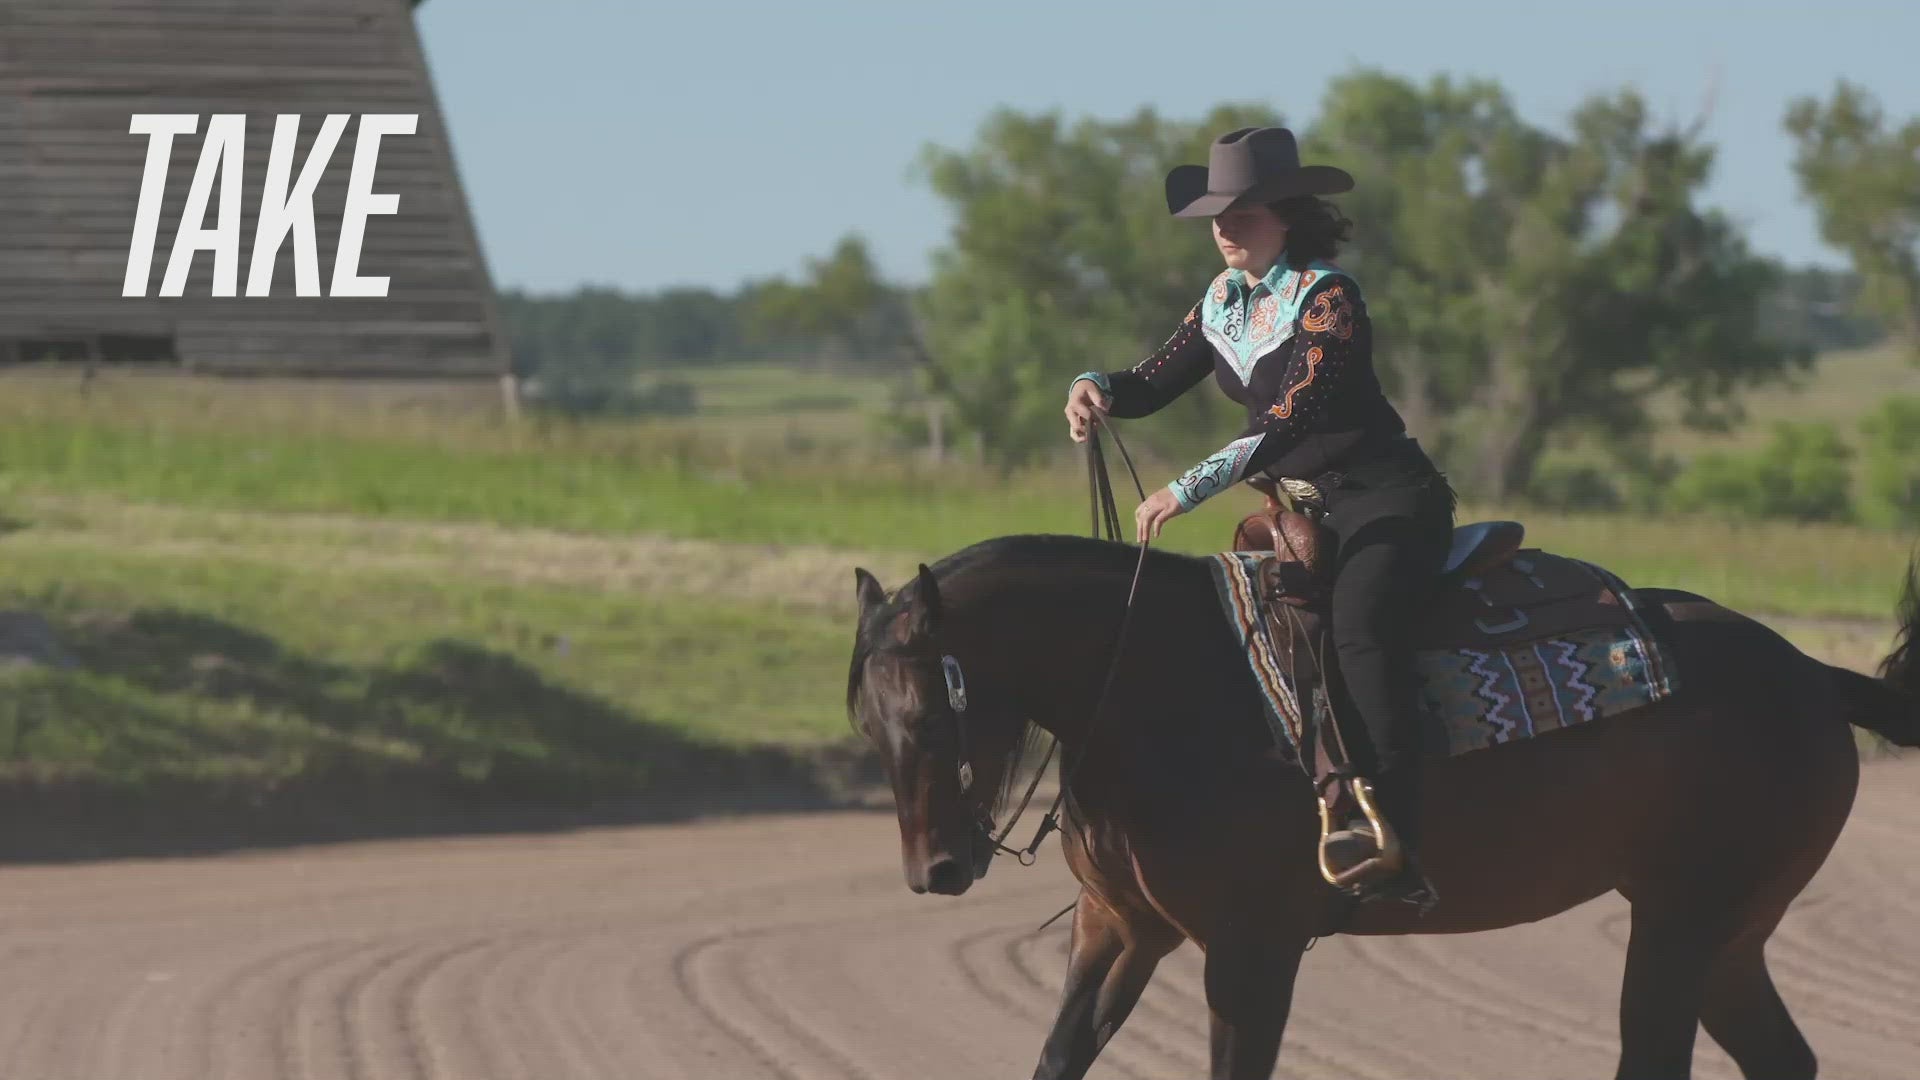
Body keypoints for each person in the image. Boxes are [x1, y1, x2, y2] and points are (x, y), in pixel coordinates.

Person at [1062, 126, 1456, 899]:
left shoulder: (1329, 300)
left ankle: (1401, 840)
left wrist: (1186, 488)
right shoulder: (1221, 302)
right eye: (1216, 214)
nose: (1222, 227)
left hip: (1387, 502)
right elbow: (1152, 379)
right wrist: (1095, 386)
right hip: (1302, 513)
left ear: (1285, 212)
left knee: (1358, 629)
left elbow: (1285, 421)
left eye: (1240, 212)